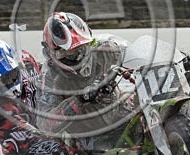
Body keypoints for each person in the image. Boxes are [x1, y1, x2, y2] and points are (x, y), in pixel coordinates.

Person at [0, 39, 76, 155]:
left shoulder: (25, 60)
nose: (9, 84)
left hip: (49, 112)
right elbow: (26, 142)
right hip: (23, 140)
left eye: (11, 75)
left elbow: (50, 74)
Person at [36, 12, 128, 142]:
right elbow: (44, 125)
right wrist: (78, 99)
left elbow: (138, 59)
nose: (78, 57)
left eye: (81, 50)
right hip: (87, 140)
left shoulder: (108, 49)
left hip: (120, 117)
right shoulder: (50, 76)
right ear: (51, 52)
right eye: (69, 54)